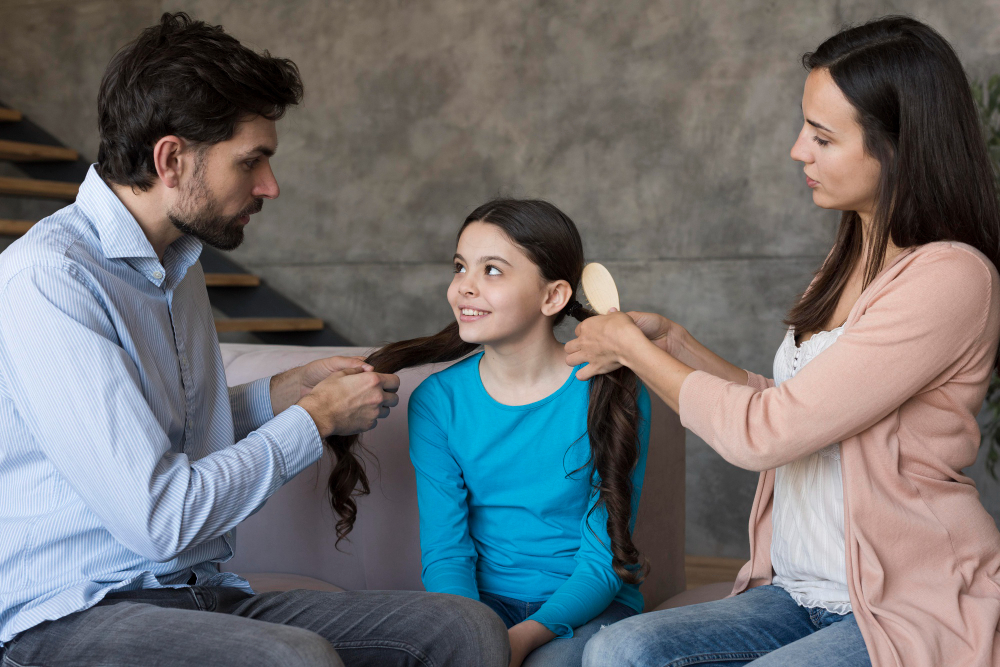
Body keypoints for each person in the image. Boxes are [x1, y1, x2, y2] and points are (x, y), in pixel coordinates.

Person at [0, 13, 507, 667]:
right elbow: (163, 519)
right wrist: (312, 419)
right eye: (252, 161)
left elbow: (158, 434)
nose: (270, 185)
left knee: (466, 629)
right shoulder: (49, 281)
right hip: (66, 617)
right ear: (171, 160)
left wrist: (280, 395)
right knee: (291, 660)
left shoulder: (178, 261)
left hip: (198, 593)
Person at [570, 16, 1000, 667]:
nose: (799, 150)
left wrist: (635, 350)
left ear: (898, 147)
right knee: (617, 651)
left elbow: (767, 433)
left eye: (823, 137)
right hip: (802, 589)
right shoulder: (848, 254)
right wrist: (676, 343)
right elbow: (803, 409)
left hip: (903, 600)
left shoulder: (950, 278)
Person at [332, 199, 652, 667]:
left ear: (553, 297)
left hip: (589, 605)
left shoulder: (611, 392)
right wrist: (475, 633)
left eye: (493, 271)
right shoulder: (438, 403)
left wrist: (519, 641)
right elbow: (446, 552)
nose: (464, 287)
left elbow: (603, 562)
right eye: (460, 267)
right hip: (477, 605)